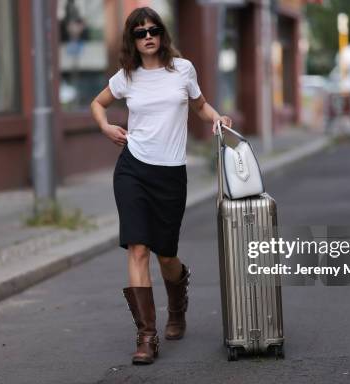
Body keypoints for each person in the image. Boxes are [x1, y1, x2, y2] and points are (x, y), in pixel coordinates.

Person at [90, 7, 232, 365]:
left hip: (170, 173)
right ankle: (147, 336)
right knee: (137, 248)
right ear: (132, 40)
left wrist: (218, 119)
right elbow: (97, 103)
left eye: (153, 30)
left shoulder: (182, 70)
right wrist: (105, 126)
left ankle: (178, 300)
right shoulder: (126, 77)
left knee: (165, 254)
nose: (148, 36)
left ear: (162, 34)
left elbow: (200, 106)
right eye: (140, 33)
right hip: (132, 168)